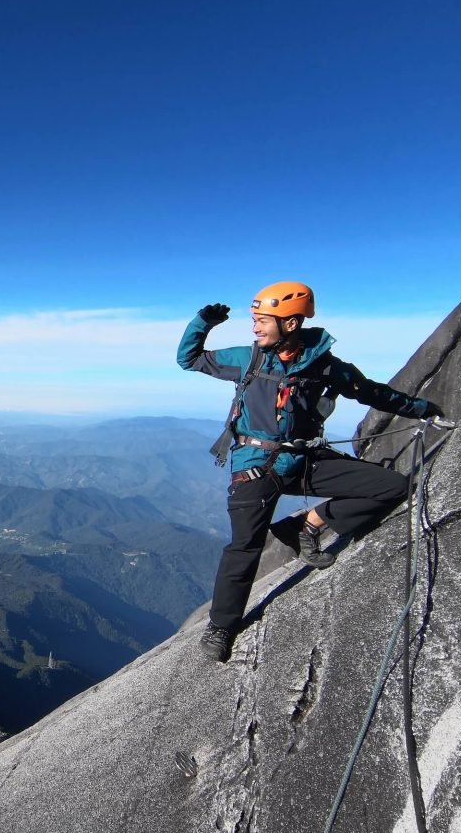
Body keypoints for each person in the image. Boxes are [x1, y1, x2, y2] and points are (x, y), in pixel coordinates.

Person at [177, 281, 444, 662]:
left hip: (304, 461)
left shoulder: (325, 365)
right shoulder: (248, 359)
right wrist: (202, 322)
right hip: (256, 466)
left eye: (262, 320)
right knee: (244, 547)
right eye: (254, 320)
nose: (254, 327)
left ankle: (307, 524)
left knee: (392, 486)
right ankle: (221, 627)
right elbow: (189, 359)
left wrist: (423, 409)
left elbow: (371, 392)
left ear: (291, 322)